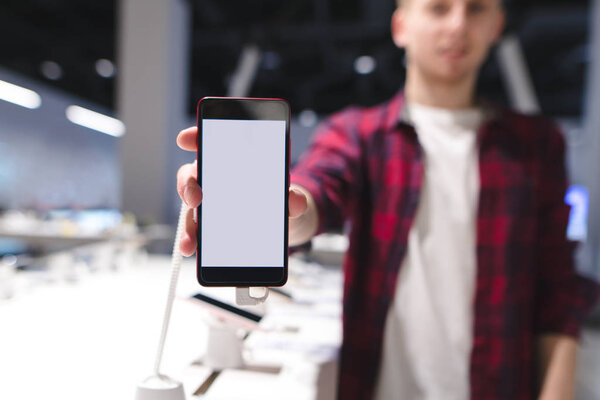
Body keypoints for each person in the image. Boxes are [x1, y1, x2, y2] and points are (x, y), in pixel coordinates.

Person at [175, 0, 600, 398]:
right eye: (438, 7)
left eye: (475, 8)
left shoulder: (536, 145)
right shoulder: (358, 134)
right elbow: (318, 191)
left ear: (496, 25)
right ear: (401, 26)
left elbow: (558, 286)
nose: (457, 24)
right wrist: (277, 210)